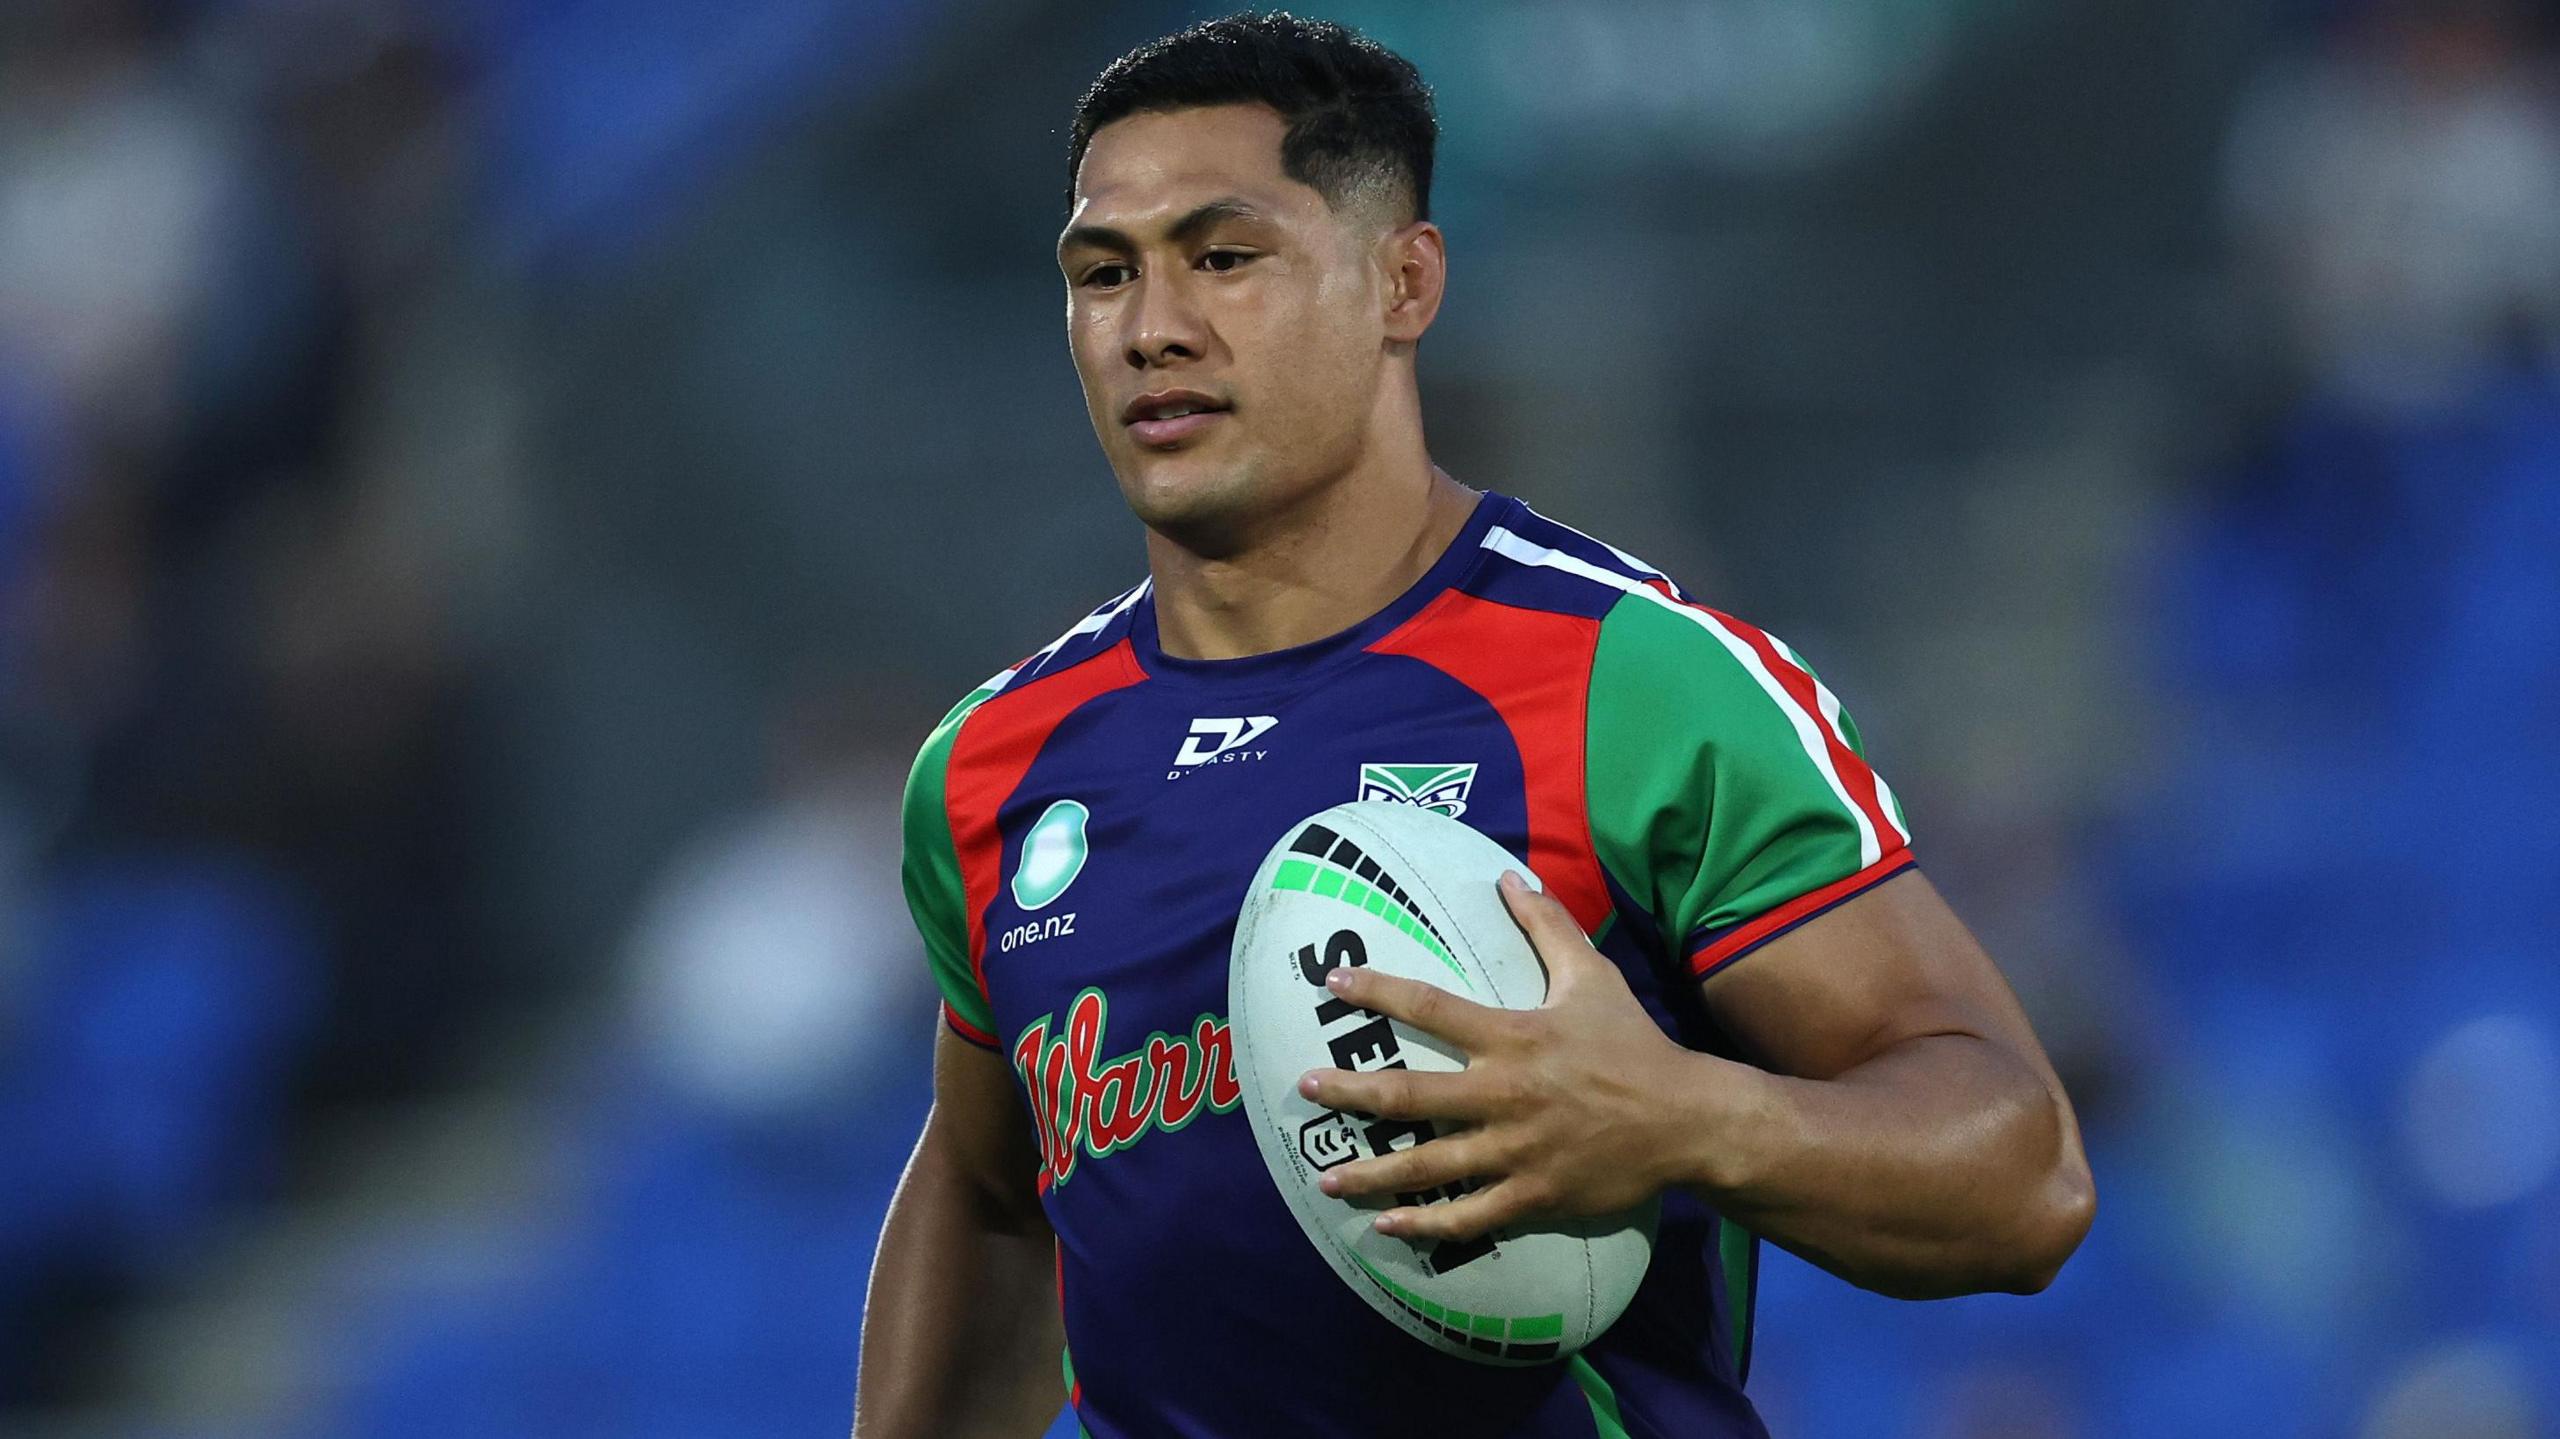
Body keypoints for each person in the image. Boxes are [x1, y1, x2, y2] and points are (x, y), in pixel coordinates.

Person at [855, 14, 2093, 1437]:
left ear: (1403, 280)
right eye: (1102, 274)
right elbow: (994, 1193)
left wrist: (1686, 1118)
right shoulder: (996, 764)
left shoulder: (1636, 681)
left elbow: (2025, 1177)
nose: (1153, 328)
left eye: (1225, 256)